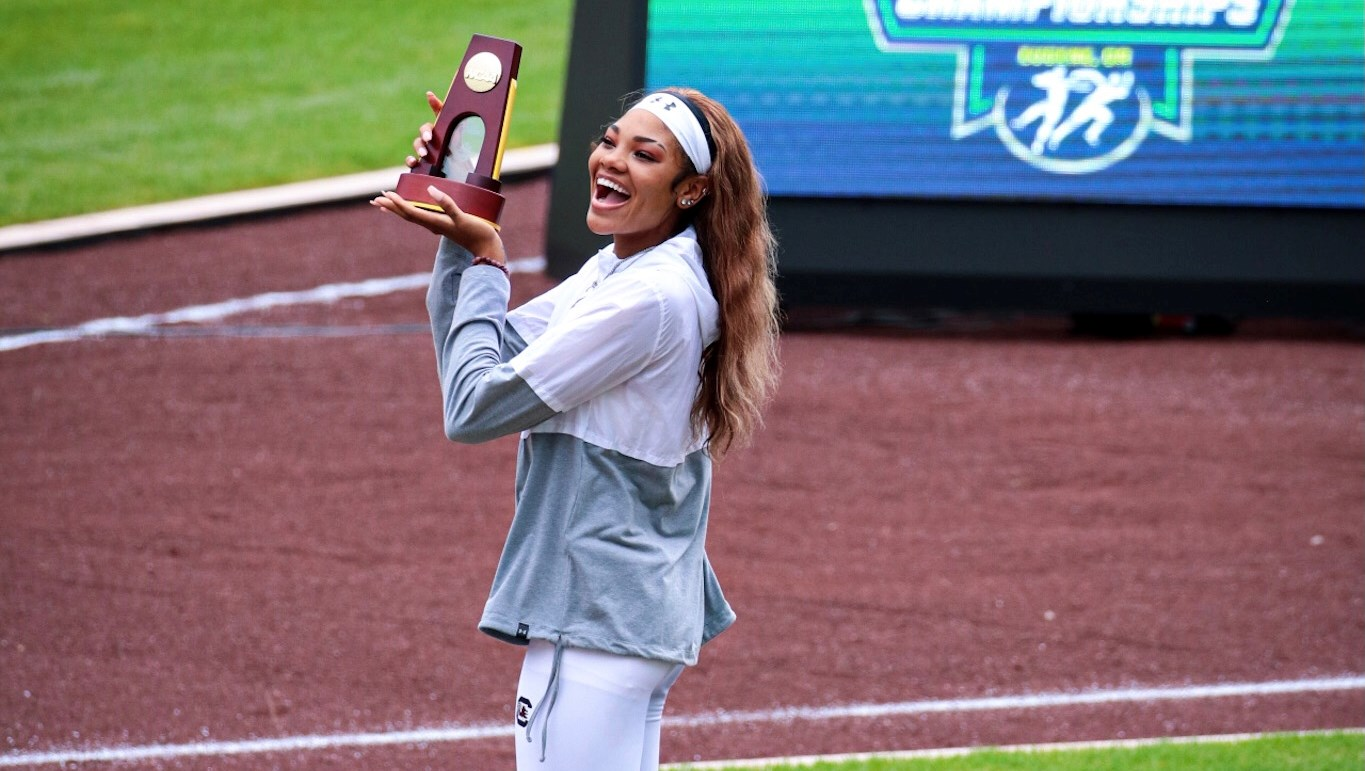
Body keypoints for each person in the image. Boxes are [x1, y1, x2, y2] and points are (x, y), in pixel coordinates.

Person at [371, 86, 781, 770]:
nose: (611, 160)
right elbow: (490, 349)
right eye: (610, 140)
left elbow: (473, 407)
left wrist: (486, 256)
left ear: (691, 190)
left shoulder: (647, 297)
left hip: (592, 616)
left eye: (644, 155)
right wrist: (462, 226)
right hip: (621, 616)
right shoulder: (632, 267)